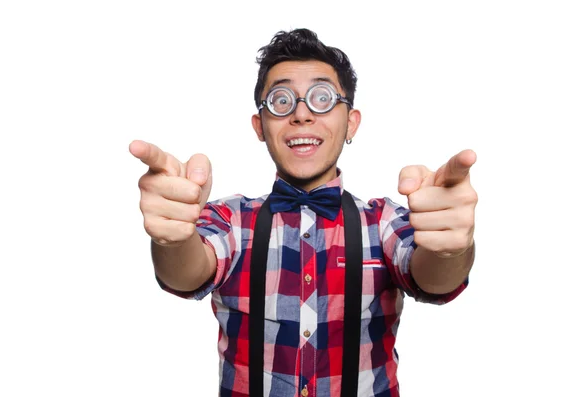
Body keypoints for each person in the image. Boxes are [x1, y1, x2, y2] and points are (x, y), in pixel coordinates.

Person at [129, 28, 477, 397]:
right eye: (281, 100)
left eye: (322, 97)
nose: (301, 114)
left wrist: (450, 249)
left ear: (351, 122)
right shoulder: (231, 219)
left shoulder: (383, 221)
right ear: (260, 126)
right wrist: (173, 237)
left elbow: (434, 279)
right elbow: (186, 273)